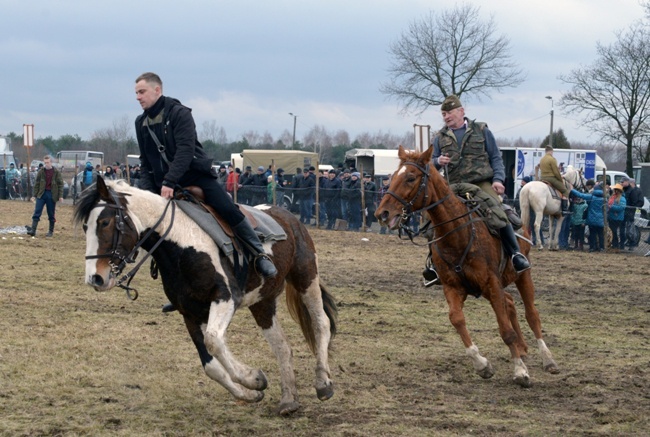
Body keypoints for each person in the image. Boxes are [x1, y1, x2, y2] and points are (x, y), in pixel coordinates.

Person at [133, 72, 277, 295]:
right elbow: (145, 162)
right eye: (136, 93)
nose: (138, 97)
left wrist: (170, 180)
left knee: (227, 208)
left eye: (141, 92)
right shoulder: (140, 122)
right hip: (162, 184)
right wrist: (146, 193)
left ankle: (258, 254)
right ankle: (181, 288)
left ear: (157, 90)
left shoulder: (179, 114)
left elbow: (185, 151)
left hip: (193, 176)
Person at [426, 95, 530, 286]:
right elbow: (429, 163)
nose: (446, 116)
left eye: (449, 112)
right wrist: (437, 161)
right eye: (443, 113)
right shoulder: (439, 137)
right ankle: (433, 265)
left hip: (480, 183)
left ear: (461, 111)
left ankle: (515, 254)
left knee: (497, 212)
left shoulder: (481, 130)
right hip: (453, 185)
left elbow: (496, 157)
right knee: (432, 218)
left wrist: (498, 180)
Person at [25, 155, 64, 237]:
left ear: (51, 162)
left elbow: (60, 184)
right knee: (37, 211)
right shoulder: (41, 172)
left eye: (48, 162)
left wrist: (60, 196)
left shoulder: (56, 172)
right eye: (45, 163)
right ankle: (33, 230)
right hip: (41, 194)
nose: (46, 164)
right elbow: (37, 184)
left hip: (51, 194)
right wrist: (34, 195)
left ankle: (50, 231)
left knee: (51, 213)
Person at [571, 183, 605, 252]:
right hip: (601, 219)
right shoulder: (604, 198)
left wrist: (572, 189)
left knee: (592, 234)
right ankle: (601, 247)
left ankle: (592, 247)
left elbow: (580, 195)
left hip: (591, 219)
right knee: (600, 234)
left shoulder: (591, 197)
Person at [539, 146, 571, 215]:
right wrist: (560, 180)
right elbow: (556, 172)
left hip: (542, 178)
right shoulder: (552, 159)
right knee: (565, 191)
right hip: (551, 178)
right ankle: (564, 209)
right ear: (551, 151)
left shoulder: (542, 159)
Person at [622, 177, 644, 249]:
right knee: (628, 228)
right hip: (629, 211)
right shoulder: (627, 190)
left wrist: (634, 209)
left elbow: (640, 201)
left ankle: (634, 241)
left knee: (633, 228)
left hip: (634, 211)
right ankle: (627, 241)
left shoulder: (636, 191)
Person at [607, 183, 627, 252]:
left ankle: (616, 245)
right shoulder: (612, 197)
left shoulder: (622, 199)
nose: (614, 191)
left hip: (618, 218)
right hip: (611, 217)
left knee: (615, 232)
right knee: (612, 232)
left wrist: (610, 207)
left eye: (615, 190)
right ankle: (614, 244)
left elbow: (621, 208)